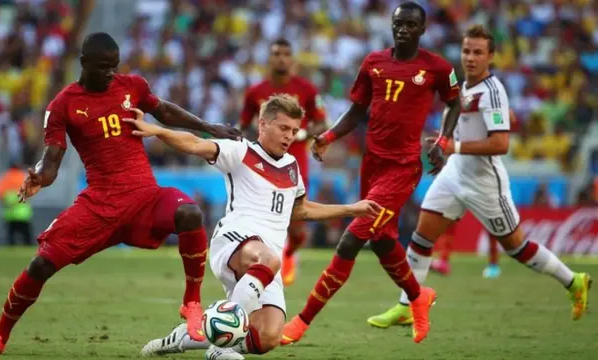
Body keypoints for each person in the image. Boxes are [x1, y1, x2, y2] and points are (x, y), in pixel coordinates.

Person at [0, 32, 241, 357]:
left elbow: (165, 111)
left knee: (190, 213)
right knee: (41, 265)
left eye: (114, 67)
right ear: (84, 64)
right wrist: (40, 176)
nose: (111, 74)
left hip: (144, 196)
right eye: (103, 68)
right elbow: (53, 158)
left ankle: (191, 303)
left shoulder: (132, 86)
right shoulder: (63, 105)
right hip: (99, 205)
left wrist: (209, 127)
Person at [366, 25, 591, 329]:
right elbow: (460, 121)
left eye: (477, 52)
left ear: (491, 57)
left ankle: (573, 281)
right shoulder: (460, 87)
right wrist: (443, 148)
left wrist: (452, 145)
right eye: (466, 51)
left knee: (517, 248)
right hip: (455, 173)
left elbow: (501, 143)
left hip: (485, 181)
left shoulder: (493, 90)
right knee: (421, 236)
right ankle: (408, 304)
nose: (470, 58)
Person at [135, 94, 380, 360]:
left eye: (295, 131)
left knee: (268, 336)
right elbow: (195, 144)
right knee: (269, 259)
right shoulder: (240, 151)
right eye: (283, 128)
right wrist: (157, 130)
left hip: (266, 263)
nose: (289, 136)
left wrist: (352, 209)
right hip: (234, 241)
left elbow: (300, 210)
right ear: (263, 124)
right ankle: (220, 349)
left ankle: (187, 337)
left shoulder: (291, 167)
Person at [281, 1, 462, 345]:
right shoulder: (373, 63)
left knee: (352, 238)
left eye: (411, 24)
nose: (403, 29)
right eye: (399, 23)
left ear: (422, 30)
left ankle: (301, 322)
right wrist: (329, 137)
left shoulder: (436, 68)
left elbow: (454, 102)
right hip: (372, 164)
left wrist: (443, 140)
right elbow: (357, 109)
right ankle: (417, 296)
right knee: (381, 241)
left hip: (404, 166)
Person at [239, 39, 327, 286]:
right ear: (269, 57)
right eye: (276, 53)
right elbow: (243, 126)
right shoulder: (255, 92)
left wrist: (302, 133)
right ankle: (263, 261)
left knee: (297, 222)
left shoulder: (307, 90)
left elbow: (322, 123)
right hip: (261, 166)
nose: (281, 58)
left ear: (292, 59)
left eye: (286, 54)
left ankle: (289, 252)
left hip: (294, 165)